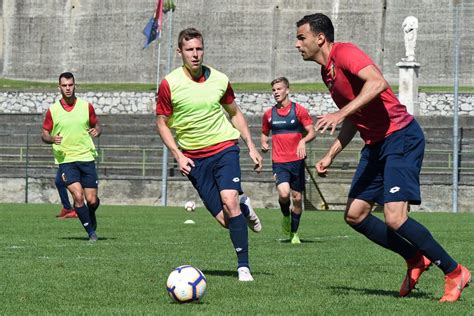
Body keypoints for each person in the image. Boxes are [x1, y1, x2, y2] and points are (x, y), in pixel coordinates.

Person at [295, 13, 470, 302]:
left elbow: (377, 83)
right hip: (375, 145)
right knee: (355, 215)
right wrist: (331, 154)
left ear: (320, 38)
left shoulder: (345, 52)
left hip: (401, 136)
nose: (297, 44)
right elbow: (355, 116)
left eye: (301, 37)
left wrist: (339, 113)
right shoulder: (327, 73)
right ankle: (415, 259)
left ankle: (454, 272)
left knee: (395, 218)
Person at [156, 28, 263, 281]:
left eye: (199, 49)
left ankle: (243, 267)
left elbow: (234, 113)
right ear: (179, 52)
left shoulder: (220, 79)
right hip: (194, 159)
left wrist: (250, 145)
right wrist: (178, 155)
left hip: (225, 147)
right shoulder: (169, 84)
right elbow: (162, 122)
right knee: (227, 220)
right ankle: (245, 207)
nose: (195, 54)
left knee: (229, 200)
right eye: (190, 50)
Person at [41, 72, 101, 242]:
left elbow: (96, 124)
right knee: (78, 196)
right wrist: (52, 138)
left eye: (70, 85)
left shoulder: (86, 106)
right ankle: (91, 233)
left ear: (75, 85)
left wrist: (97, 130)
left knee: (92, 200)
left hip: (86, 157)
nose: (67, 88)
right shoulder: (53, 110)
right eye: (64, 85)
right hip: (66, 160)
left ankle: (90, 214)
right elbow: (44, 134)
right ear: (59, 87)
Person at [261, 77, 315, 244]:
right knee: (284, 193)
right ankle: (285, 215)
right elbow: (264, 132)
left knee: (297, 199)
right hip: (279, 162)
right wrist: (264, 141)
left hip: (297, 161)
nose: (276, 92)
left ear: (287, 90)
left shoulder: (299, 110)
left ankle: (294, 233)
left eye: (279, 89)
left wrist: (303, 141)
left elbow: (311, 132)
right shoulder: (269, 114)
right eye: (274, 90)